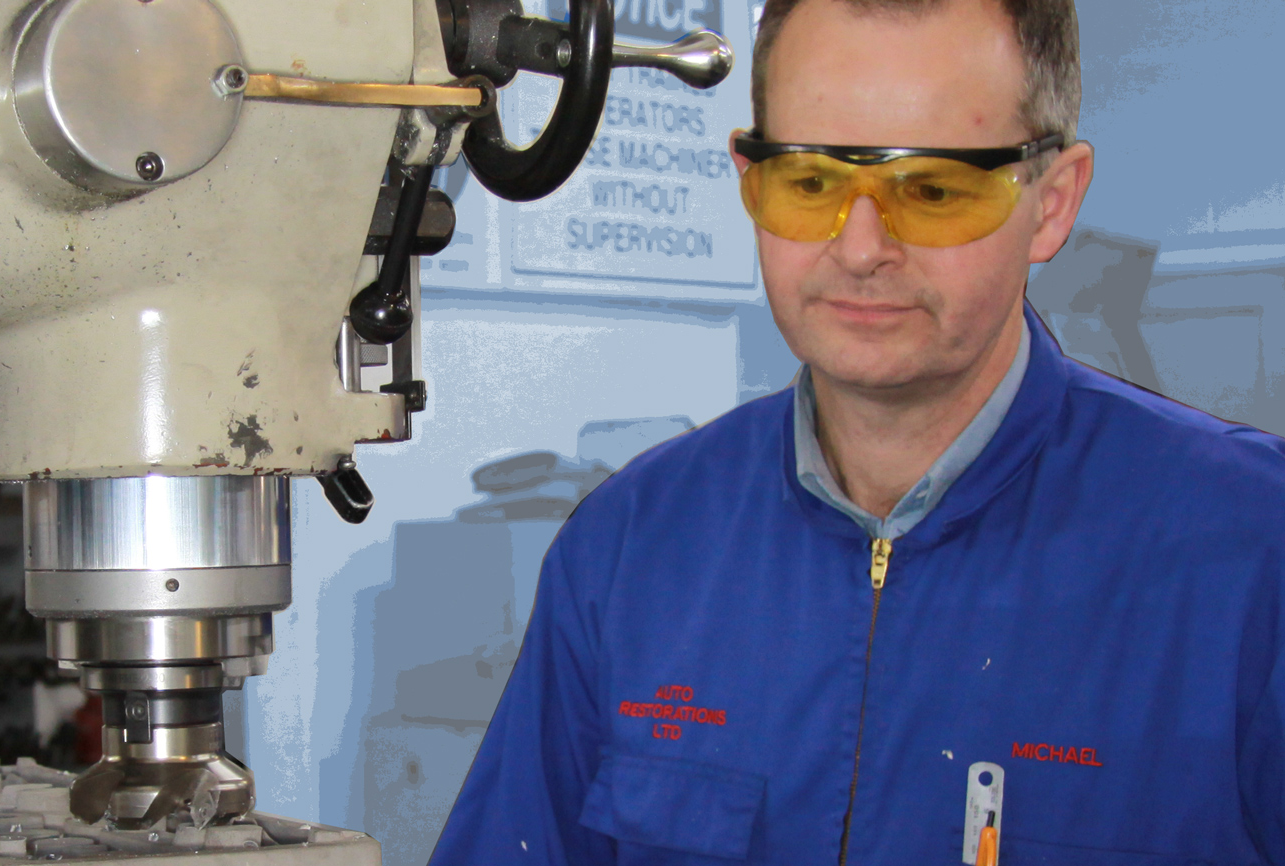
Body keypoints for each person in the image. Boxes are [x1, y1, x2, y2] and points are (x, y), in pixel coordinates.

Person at [429, 0, 1285, 862]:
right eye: (810, 183)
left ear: (1052, 203)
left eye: (935, 189)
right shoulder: (627, 552)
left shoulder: (1250, 555)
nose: (863, 246)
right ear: (751, 183)